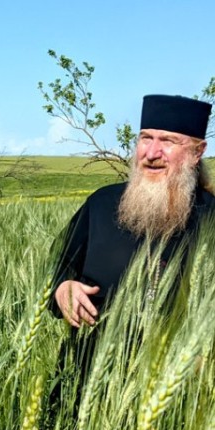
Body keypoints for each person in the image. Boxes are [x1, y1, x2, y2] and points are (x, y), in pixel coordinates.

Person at [51, 94, 214, 329]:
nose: (151, 153)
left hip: (178, 363)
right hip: (85, 363)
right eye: (146, 138)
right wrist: (62, 287)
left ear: (197, 152)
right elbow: (58, 262)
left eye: (168, 141)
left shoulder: (211, 216)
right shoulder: (101, 204)